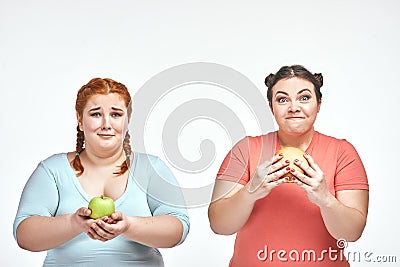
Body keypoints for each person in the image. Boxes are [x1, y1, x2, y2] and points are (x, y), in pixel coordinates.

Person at [13, 78, 190, 267]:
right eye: (96, 114)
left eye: (116, 114)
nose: (106, 124)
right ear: (80, 120)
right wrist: (74, 223)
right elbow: (24, 234)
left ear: (127, 120)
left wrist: (128, 226)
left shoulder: (151, 168)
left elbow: (178, 229)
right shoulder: (52, 170)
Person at [208, 65, 369, 266]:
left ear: (319, 104)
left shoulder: (342, 152)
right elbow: (219, 225)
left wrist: (325, 198)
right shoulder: (246, 149)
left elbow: (351, 233)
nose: (294, 107)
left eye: (304, 98)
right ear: (271, 107)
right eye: (282, 99)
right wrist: (251, 191)